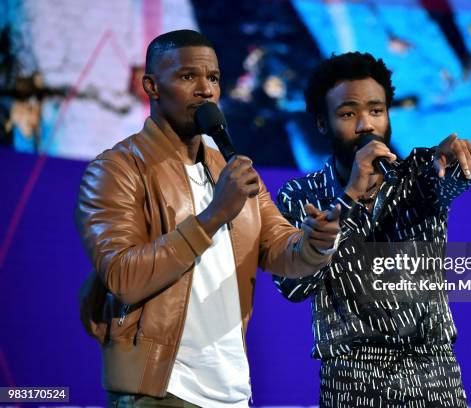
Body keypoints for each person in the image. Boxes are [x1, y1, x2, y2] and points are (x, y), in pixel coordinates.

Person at [74, 29, 341, 408]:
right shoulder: (117, 170)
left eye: (213, 78)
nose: (206, 89)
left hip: (231, 391)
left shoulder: (230, 170)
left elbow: (283, 250)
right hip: (159, 392)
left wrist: (316, 241)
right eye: (187, 77)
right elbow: (123, 277)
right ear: (151, 86)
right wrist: (214, 215)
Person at [273, 51, 471, 407]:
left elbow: (454, 182)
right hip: (350, 378)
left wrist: (456, 159)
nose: (365, 124)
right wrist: (349, 196)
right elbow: (294, 286)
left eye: (376, 110)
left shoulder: (419, 176)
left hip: (432, 373)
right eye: (348, 113)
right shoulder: (300, 196)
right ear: (322, 123)